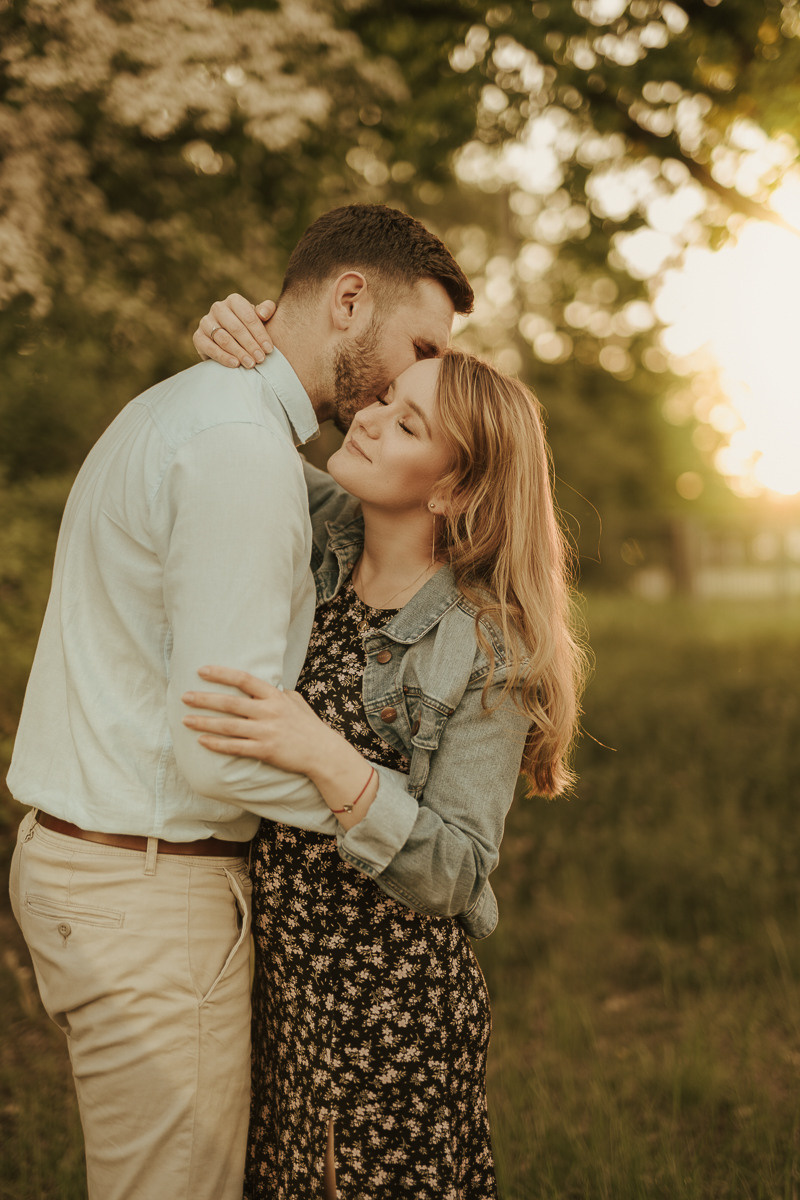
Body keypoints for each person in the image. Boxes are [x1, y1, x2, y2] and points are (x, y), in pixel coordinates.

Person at [6, 203, 474, 1200]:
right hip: (148, 892)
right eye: (420, 345)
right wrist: (392, 822)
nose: (420, 376)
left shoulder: (203, 410)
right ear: (348, 298)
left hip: (110, 869)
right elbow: (222, 751)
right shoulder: (238, 450)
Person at [184, 312, 586, 1197]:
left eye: (407, 426)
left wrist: (326, 755)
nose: (365, 417)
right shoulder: (321, 532)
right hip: (281, 987)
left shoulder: (485, 648)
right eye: (386, 400)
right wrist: (229, 340)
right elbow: (235, 439)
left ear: (449, 490)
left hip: (390, 1015)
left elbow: (457, 870)